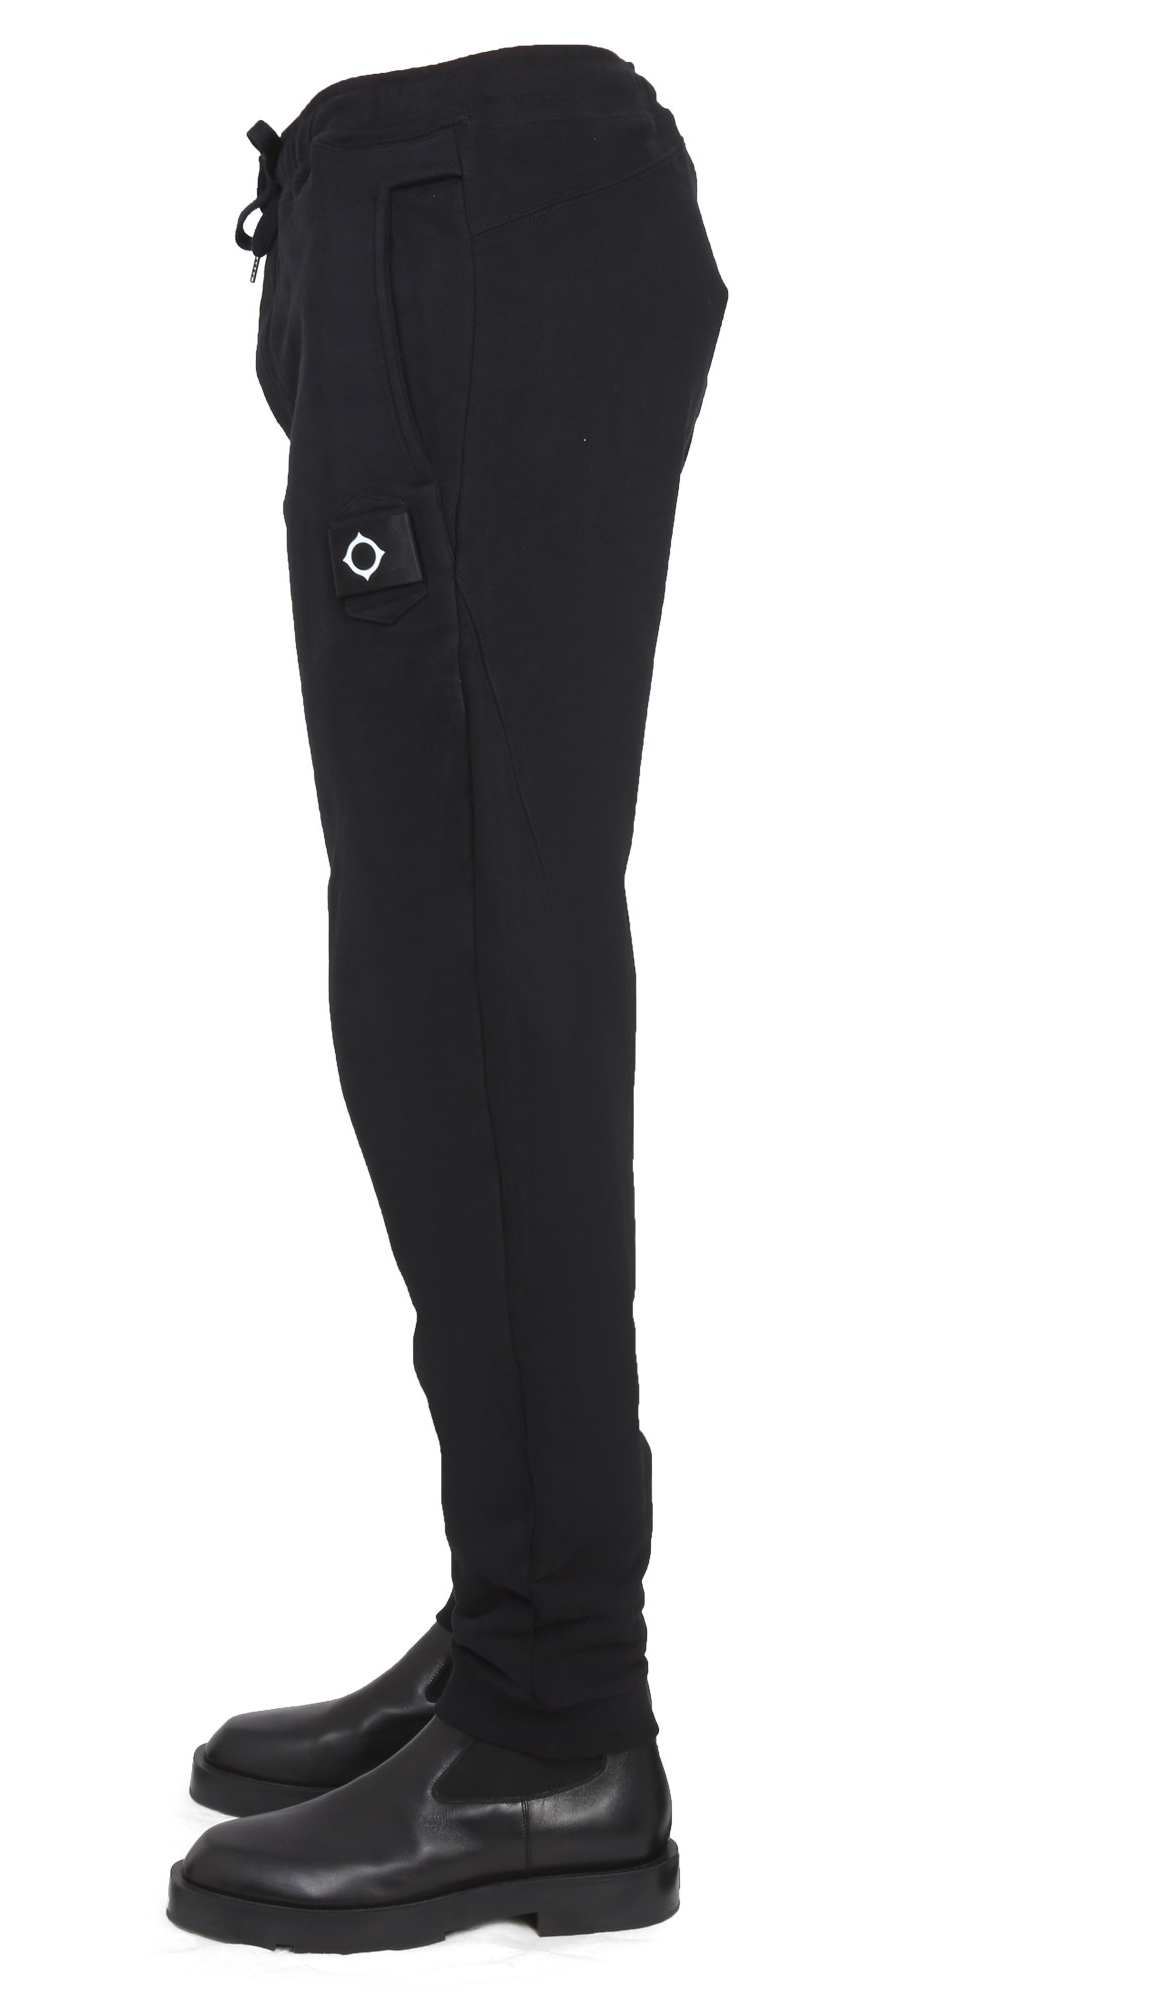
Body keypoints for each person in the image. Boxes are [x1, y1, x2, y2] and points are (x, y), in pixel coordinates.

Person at [169, 44, 727, 1952]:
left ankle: (551, 1724)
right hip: (432, 220)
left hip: (463, 217)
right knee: (451, 960)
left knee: (467, 972)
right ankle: (518, 1628)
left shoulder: (466, 183)